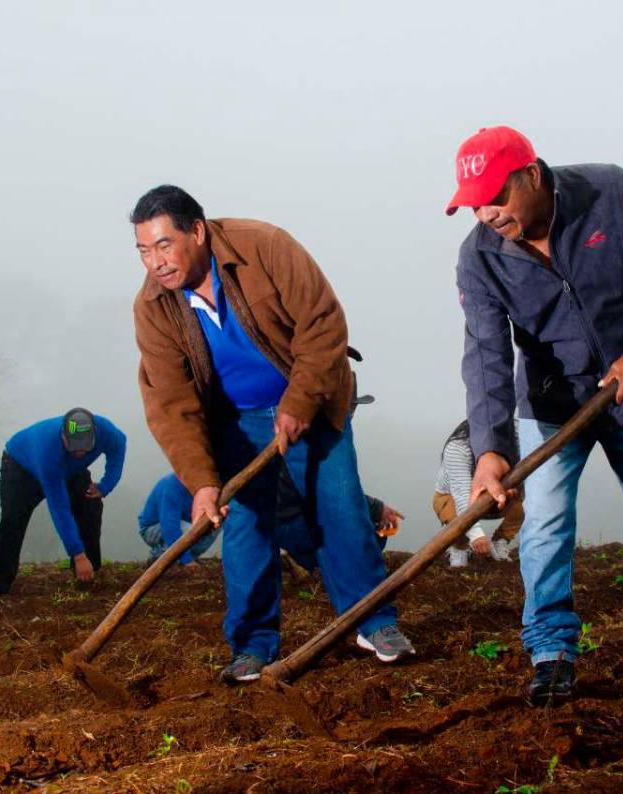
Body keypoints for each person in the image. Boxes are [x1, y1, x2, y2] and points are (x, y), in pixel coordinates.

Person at [446, 126, 623, 701]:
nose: (488, 214)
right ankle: (551, 652)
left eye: (497, 196)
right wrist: (491, 449)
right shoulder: (480, 258)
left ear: (533, 175)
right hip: (552, 407)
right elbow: (486, 355)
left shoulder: (611, 194)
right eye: (475, 205)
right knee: (543, 526)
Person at [131, 185, 414, 683]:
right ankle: (252, 646)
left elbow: (323, 326)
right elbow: (170, 405)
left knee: (339, 506)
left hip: (314, 396)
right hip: (235, 423)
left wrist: (299, 403)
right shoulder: (154, 307)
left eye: (163, 245)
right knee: (247, 524)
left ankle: (375, 623)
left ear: (196, 231)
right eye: (143, 251)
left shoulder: (263, 247)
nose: (155, 262)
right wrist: (201, 482)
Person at [0, 408, 126, 596]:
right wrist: (77, 553)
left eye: (85, 447)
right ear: (63, 437)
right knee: (12, 522)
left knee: (90, 505)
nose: (80, 453)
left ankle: (88, 573)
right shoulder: (47, 449)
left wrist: (106, 485)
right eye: (74, 447)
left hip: (69, 470)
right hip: (20, 466)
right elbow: (60, 507)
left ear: (95, 435)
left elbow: (119, 447)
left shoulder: (107, 432)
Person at [137, 469, 403, 572]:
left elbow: (331, 488)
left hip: (292, 519)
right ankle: (164, 556)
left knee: (215, 522)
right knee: (190, 529)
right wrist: (186, 560)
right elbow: (170, 525)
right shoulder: (173, 485)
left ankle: (326, 562)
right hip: (154, 527)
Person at [433, 419, 523, 567]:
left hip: (495, 495)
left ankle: (499, 542)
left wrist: (514, 491)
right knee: (456, 521)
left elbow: (525, 479)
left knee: (522, 508)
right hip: (452, 497)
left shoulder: (517, 437)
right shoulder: (458, 448)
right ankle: (459, 548)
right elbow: (462, 495)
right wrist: (477, 536)